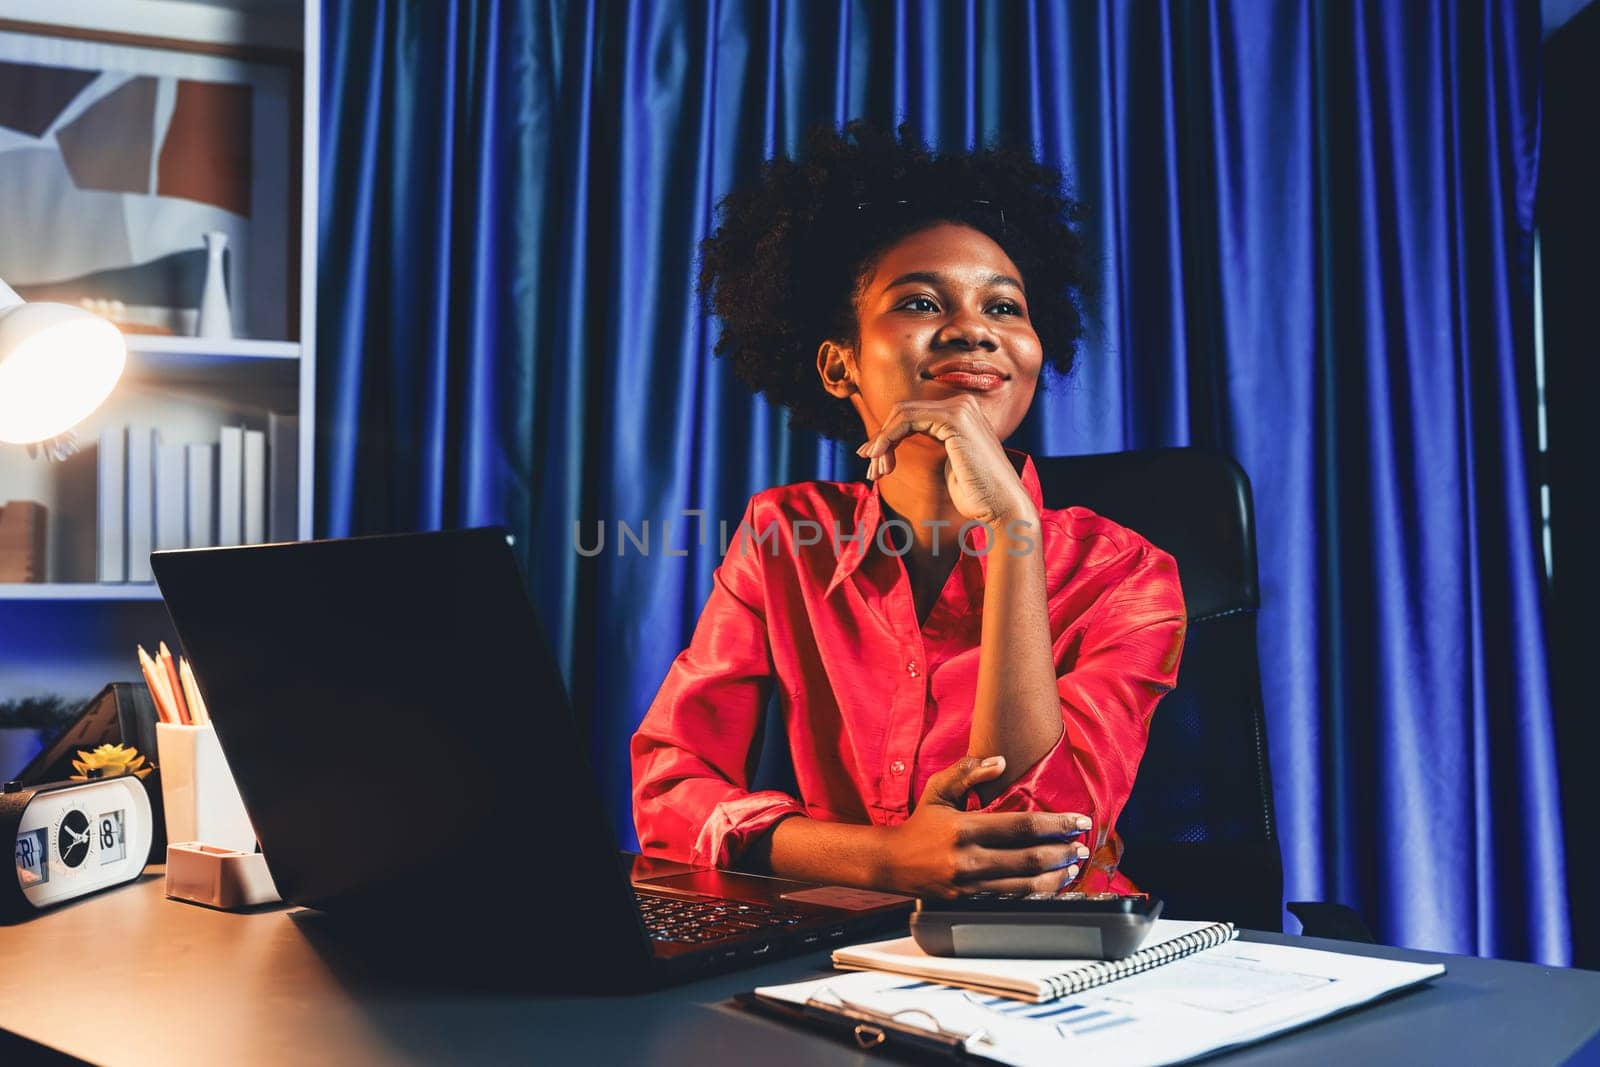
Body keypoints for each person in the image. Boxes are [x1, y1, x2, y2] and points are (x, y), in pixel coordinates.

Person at [631, 122, 1186, 900]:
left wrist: (1012, 534)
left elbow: (1032, 845)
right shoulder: (784, 539)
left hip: (1063, 967)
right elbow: (670, 787)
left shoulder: (1129, 575)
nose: (974, 330)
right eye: (923, 301)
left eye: (1006, 307)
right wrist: (883, 860)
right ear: (839, 364)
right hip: (845, 956)